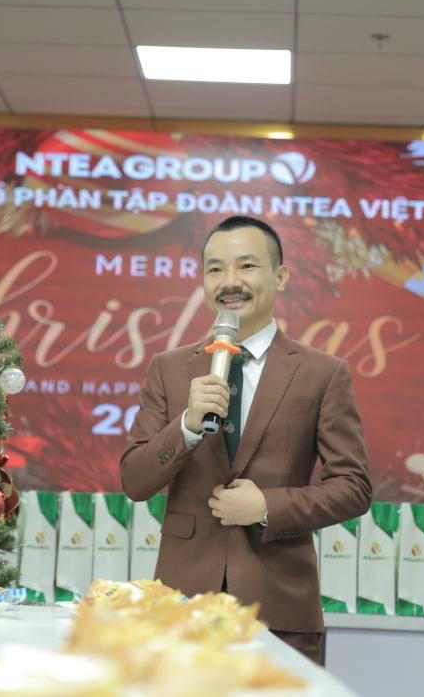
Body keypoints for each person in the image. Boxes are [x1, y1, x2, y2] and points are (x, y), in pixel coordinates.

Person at [120, 215, 372, 665]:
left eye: (247, 266)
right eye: (215, 269)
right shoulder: (169, 368)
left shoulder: (322, 373)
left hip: (279, 604)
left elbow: (353, 488)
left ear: (281, 276)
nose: (230, 281)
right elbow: (135, 481)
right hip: (182, 607)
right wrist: (187, 426)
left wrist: (267, 507)